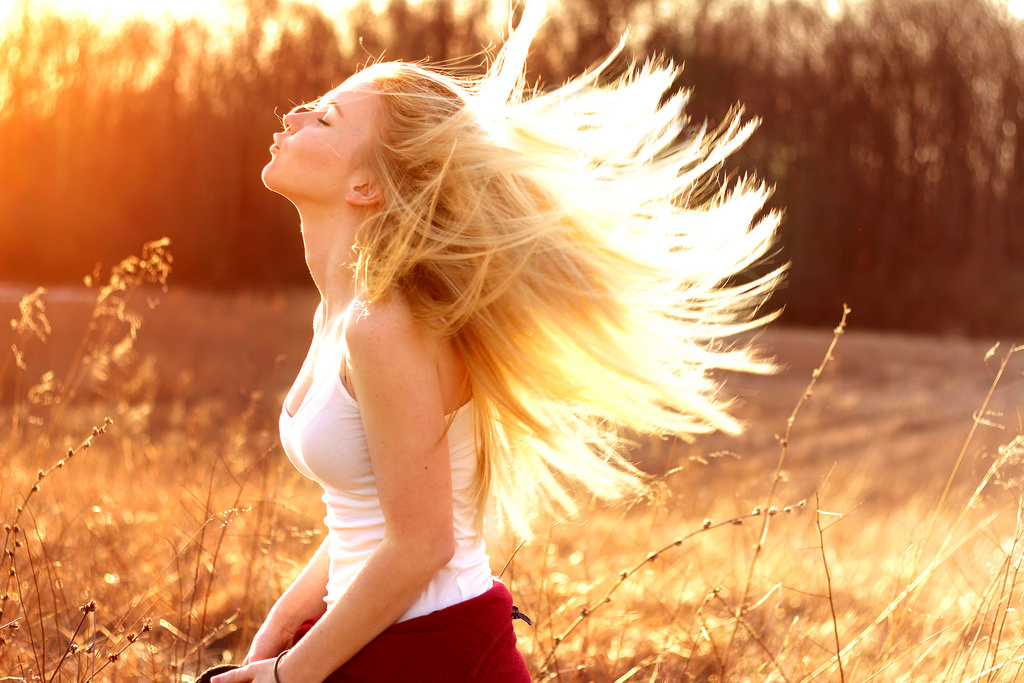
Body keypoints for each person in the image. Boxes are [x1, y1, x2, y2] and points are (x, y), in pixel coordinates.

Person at [209, 2, 782, 681]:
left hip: (434, 654)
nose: (292, 116)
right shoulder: (341, 314)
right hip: (377, 639)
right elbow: (362, 519)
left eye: (324, 117)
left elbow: (421, 545)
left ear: (367, 184)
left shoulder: (384, 325)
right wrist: (275, 635)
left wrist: (287, 674)